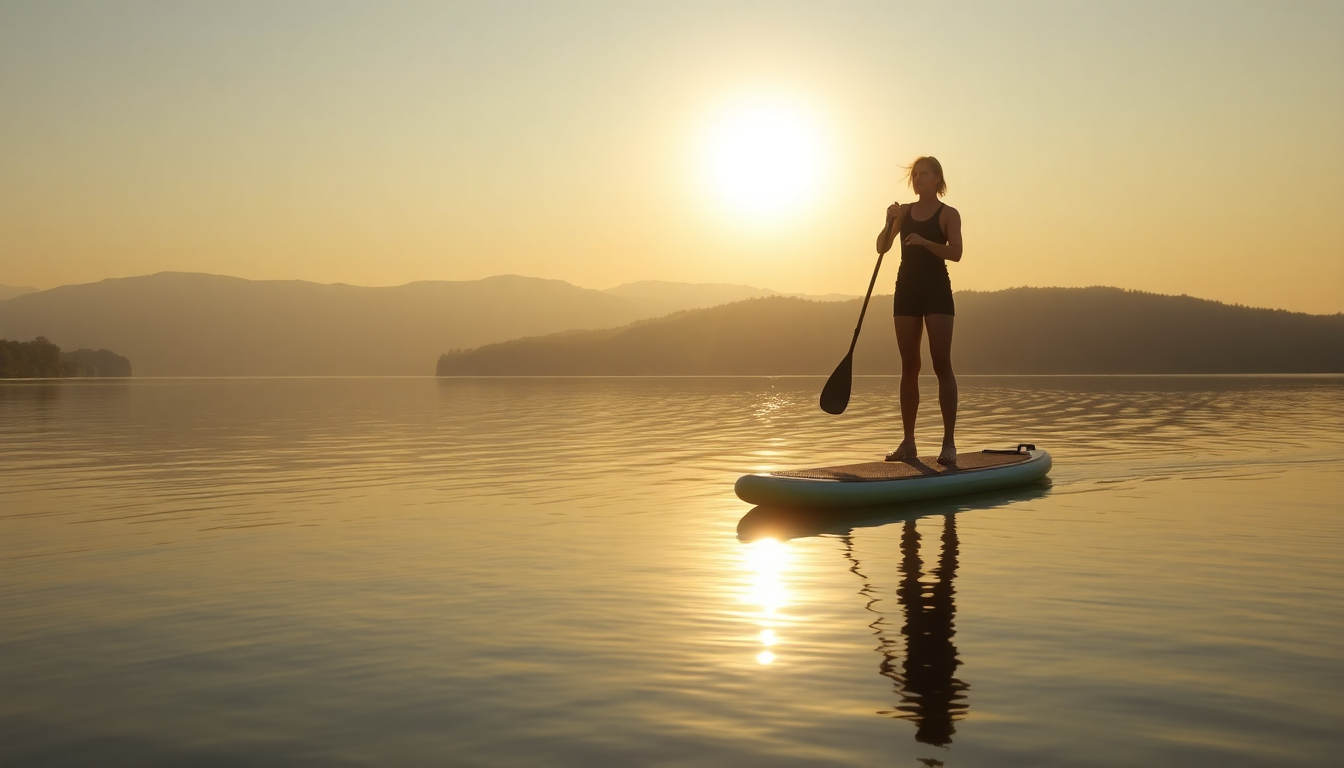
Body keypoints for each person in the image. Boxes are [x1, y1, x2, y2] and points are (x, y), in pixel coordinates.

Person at [875, 156, 963, 464]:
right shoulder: (905, 213)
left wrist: (926, 242)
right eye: (915, 174)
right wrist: (888, 221)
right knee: (909, 364)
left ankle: (948, 444)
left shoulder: (948, 214)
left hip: (937, 291)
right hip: (907, 291)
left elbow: (956, 252)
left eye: (924, 174)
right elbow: (882, 247)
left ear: (938, 178)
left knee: (941, 363)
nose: (918, 178)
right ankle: (908, 443)